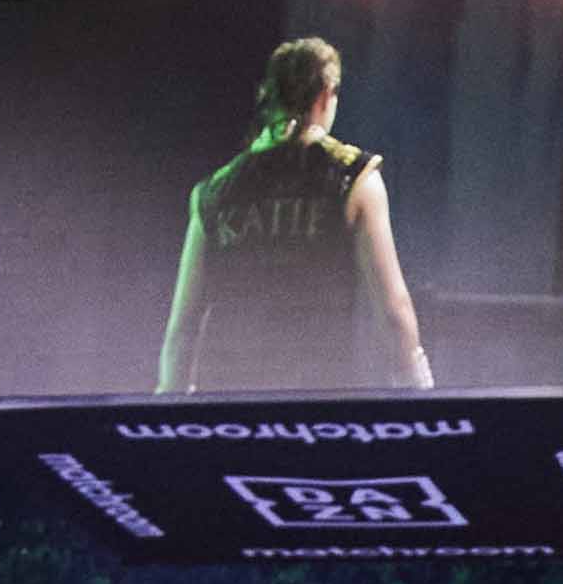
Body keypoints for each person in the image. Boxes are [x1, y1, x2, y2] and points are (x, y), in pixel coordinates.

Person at [158, 35, 431, 393]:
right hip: (321, 397)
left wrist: (171, 411)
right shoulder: (357, 179)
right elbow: (393, 310)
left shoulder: (212, 191)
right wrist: (419, 393)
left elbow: (183, 327)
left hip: (232, 403)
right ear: (326, 94)